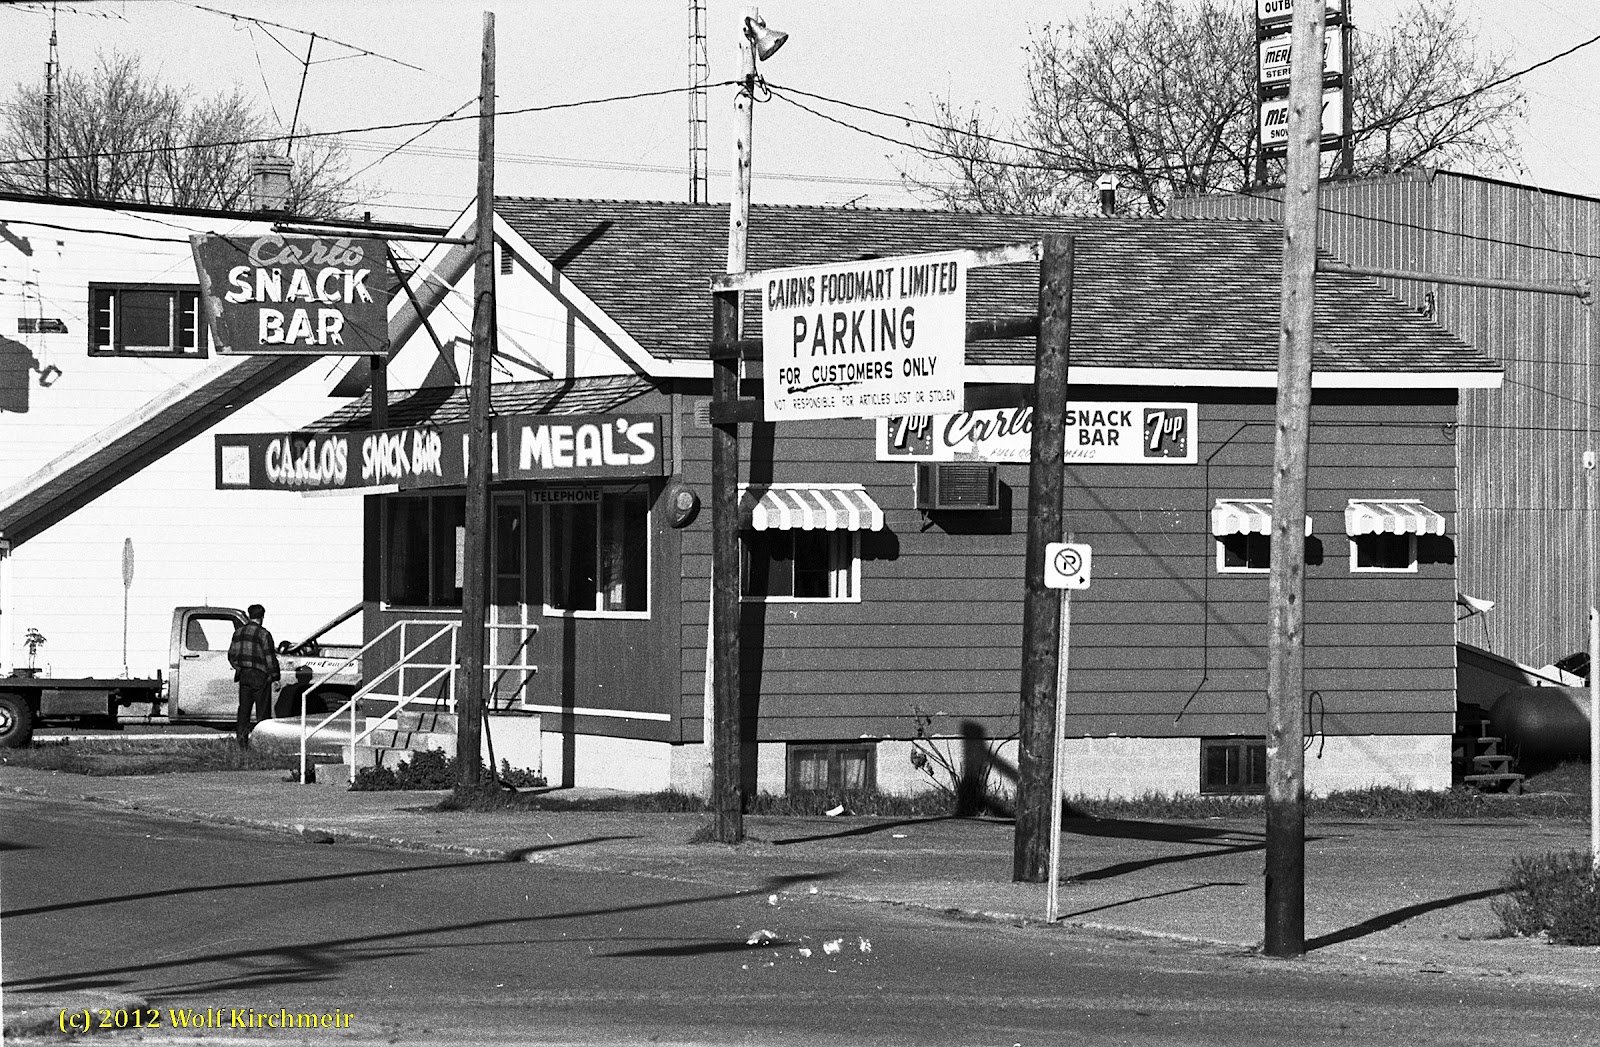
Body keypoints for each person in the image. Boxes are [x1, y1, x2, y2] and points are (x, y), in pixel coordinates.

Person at [228, 603, 279, 748]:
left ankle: (242, 744)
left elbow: (231, 655)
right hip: (260, 676)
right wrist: (275, 677)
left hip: (244, 675)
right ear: (262, 617)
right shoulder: (264, 634)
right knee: (262, 713)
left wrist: (239, 667)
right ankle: (262, 744)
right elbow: (270, 657)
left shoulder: (238, 633)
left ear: (250, 615)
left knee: (244, 711)